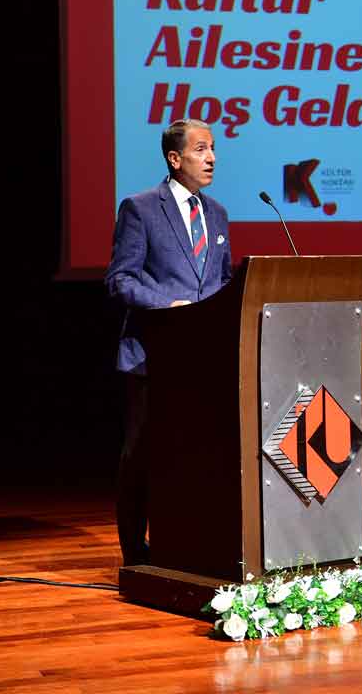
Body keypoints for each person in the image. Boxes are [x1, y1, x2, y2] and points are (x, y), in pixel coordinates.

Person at [104, 118, 233, 566]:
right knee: (142, 455)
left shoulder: (217, 213)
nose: (211, 158)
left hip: (204, 358)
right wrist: (169, 306)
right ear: (175, 159)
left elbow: (223, 280)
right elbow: (120, 279)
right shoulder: (140, 208)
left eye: (212, 148)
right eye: (201, 149)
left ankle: (187, 543)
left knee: (196, 457)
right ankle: (135, 551)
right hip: (153, 356)